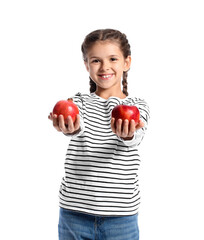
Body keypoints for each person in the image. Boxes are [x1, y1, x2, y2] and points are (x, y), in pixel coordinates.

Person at [48, 29, 150, 240]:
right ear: (86, 65)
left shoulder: (138, 106)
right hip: (74, 213)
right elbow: (78, 125)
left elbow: (137, 138)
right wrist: (71, 127)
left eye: (113, 59)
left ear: (126, 62)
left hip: (121, 217)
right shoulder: (78, 102)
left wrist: (128, 135)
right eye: (96, 60)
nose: (104, 67)